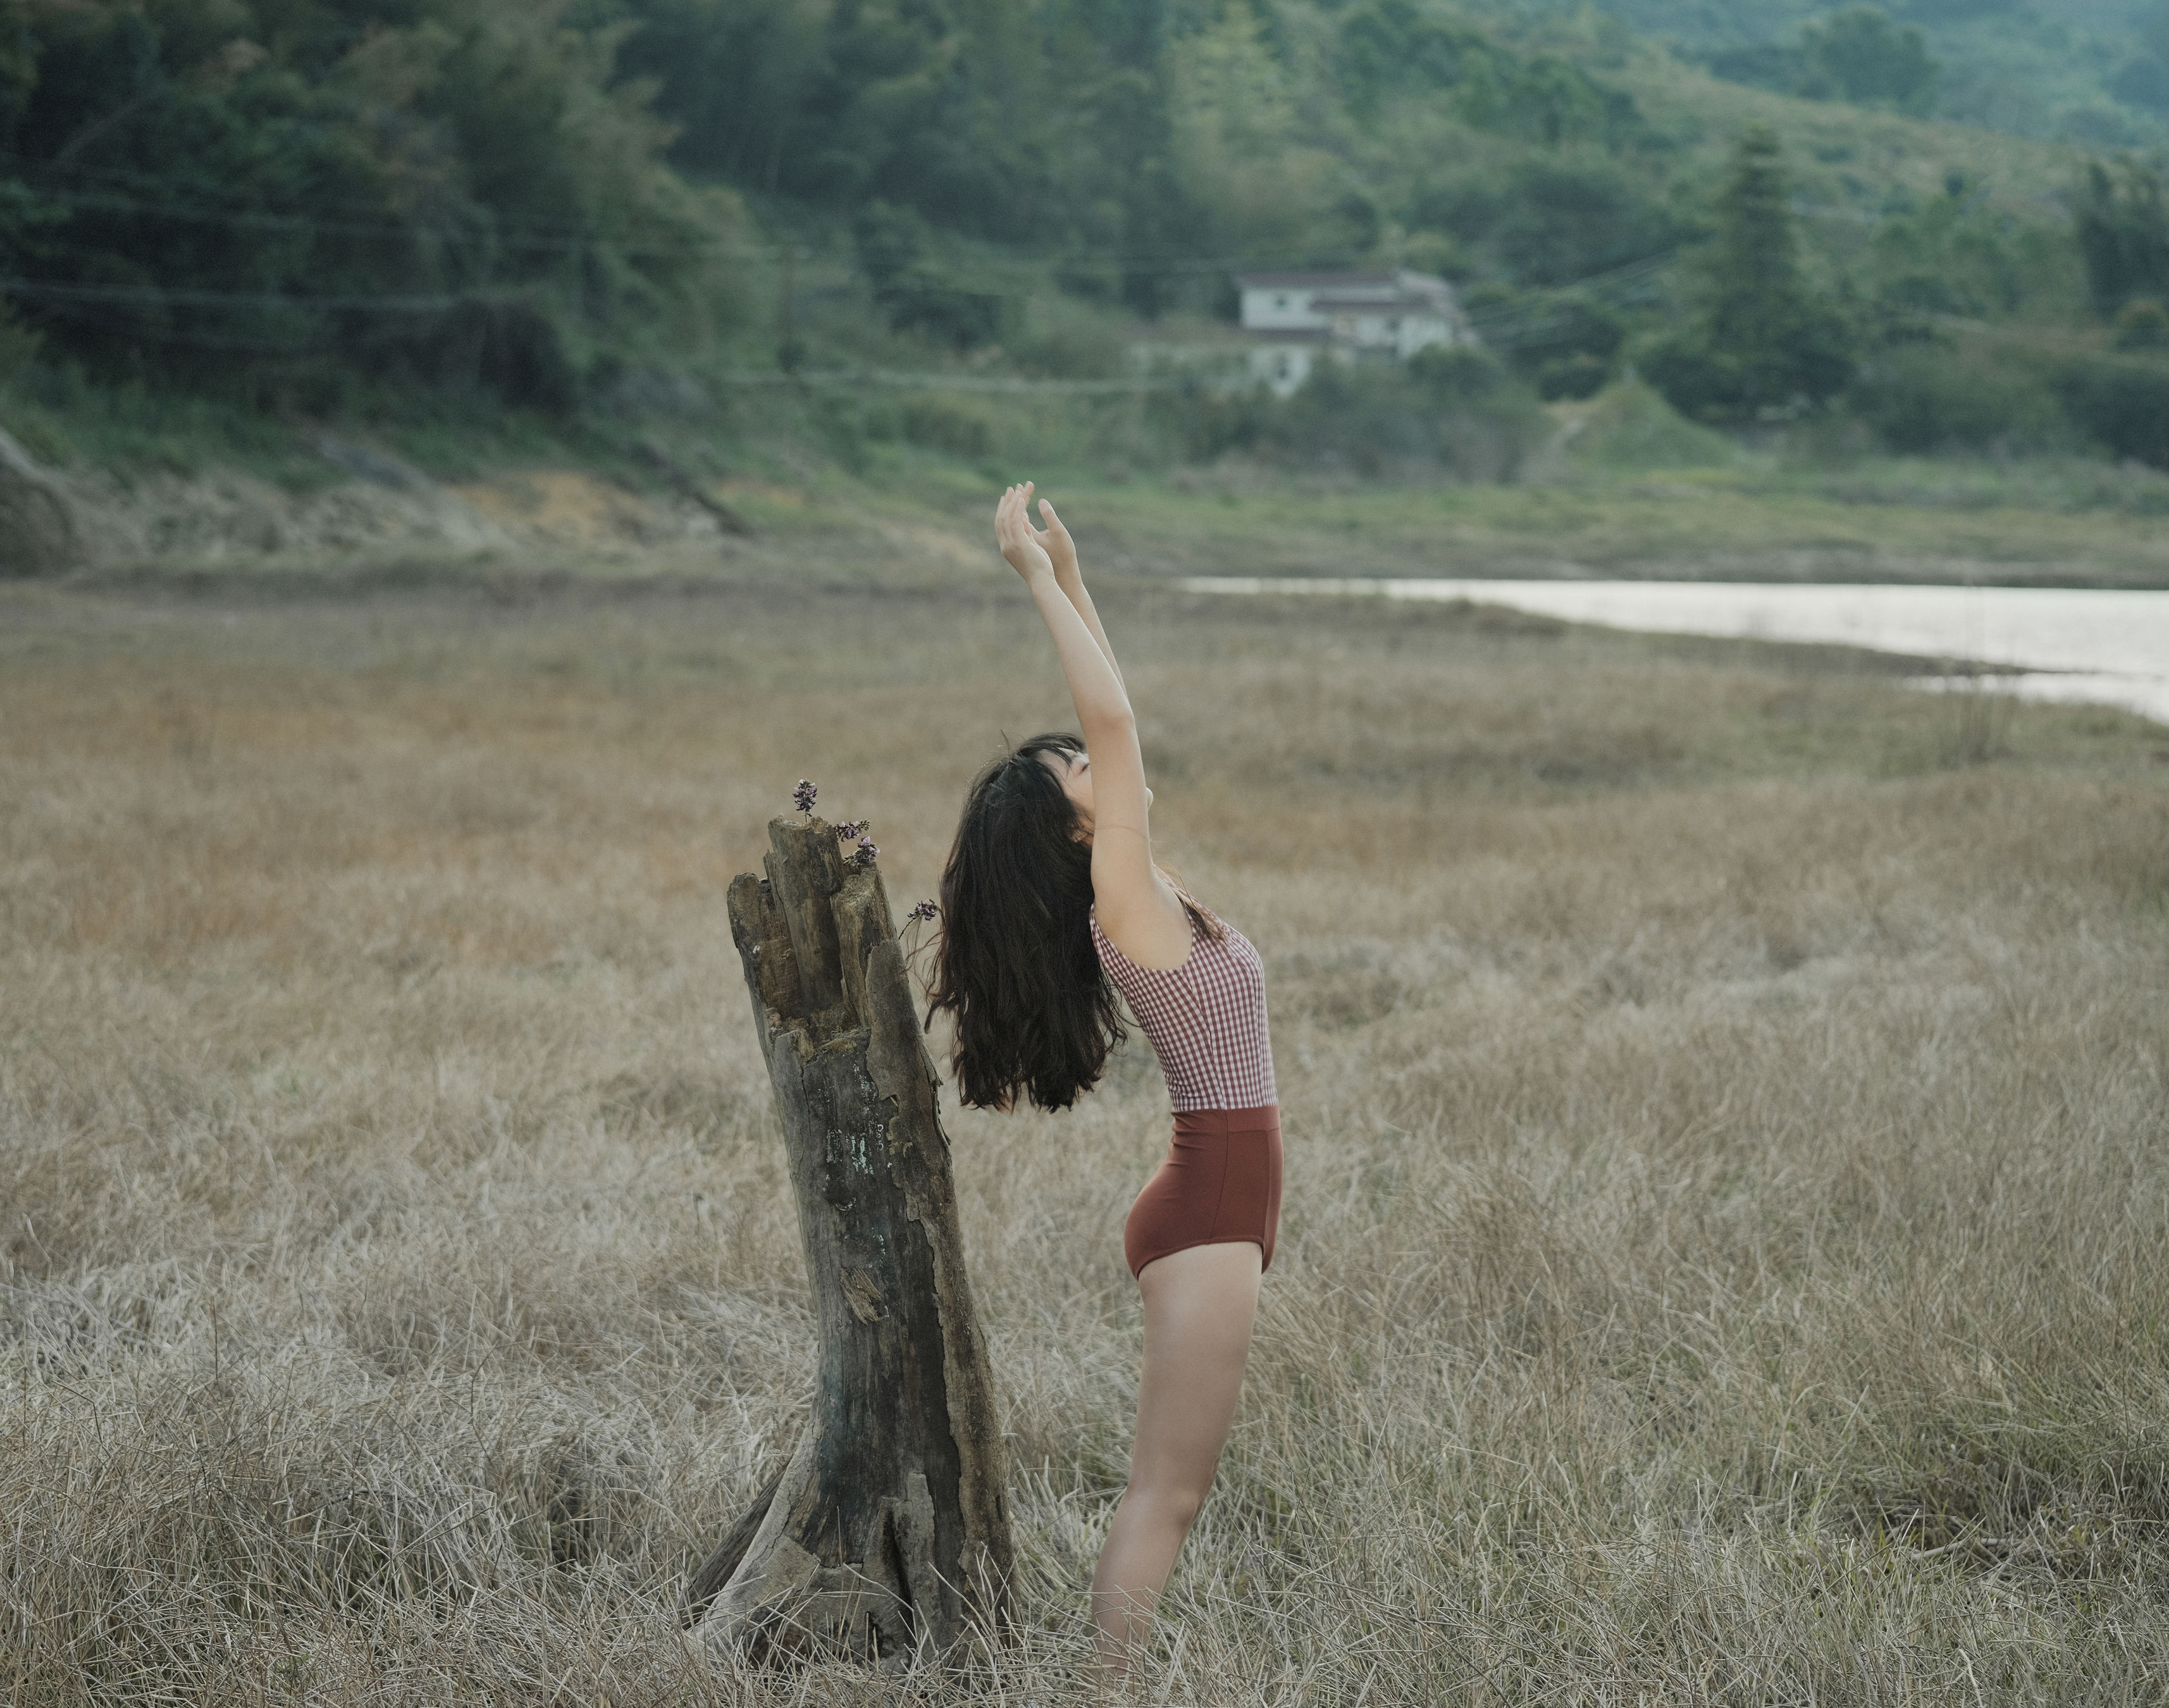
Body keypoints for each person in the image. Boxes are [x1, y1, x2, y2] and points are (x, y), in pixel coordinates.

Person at [927, 482, 1283, 1677]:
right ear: (1076, 829)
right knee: (1165, 1494)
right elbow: (1119, 726)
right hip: (1206, 1216)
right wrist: (1034, 578)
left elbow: (1122, 734)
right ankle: (1101, 1688)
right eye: (1073, 768)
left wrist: (1072, 573)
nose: (1096, 758)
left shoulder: (1143, 877)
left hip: (1217, 1204)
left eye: (1080, 753)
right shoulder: (1121, 901)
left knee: (1174, 1489)